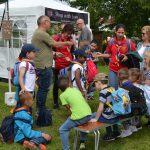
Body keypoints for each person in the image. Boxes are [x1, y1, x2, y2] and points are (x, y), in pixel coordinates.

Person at [31, 15, 73, 112]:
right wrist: (66, 43)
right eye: (49, 22)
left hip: (42, 65)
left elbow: (42, 49)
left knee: (43, 88)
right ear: (45, 22)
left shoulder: (39, 33)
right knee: (43, 89)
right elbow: (55, 44)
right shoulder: (42, 33)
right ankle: (40, 110)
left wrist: (54, 53)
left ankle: (40, 108)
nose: (50, 24)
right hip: (43, 66)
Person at [97, 24, 136, 90]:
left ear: (124, 32)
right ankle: (113, 100)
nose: (120, 34)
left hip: (124, 70)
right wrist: (101, 55)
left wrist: (127, 56)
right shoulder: (111, 41)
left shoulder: (128, 42)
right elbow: (109, 54)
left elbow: (135, 53)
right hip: (113, 69)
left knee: (124, 89)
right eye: (119, 32)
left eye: (122, 32)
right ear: (115, 32)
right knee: (112, 89)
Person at [58, 76, 92, 150]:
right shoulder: (76, 90)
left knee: (62, 129)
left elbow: (69, 109)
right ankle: (82, 142)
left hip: (79, 117)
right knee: (82, 122)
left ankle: (66, 149)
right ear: (69, 84)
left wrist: (72, 116)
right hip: (88, 114)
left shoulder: (62, 95)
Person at [90, 73, 120, 141]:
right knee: (107, 112)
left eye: (95, 83)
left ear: (99, 82)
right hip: (116, 116)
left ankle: (109, 135)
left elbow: (100, 108)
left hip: (109, 118)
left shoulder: (103, 92)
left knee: (93, 115)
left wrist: (96, 119)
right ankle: (116, 132)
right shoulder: (112, 88)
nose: (94, 85)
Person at [52, 24, 74, 109]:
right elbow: (52, 47)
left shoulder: (70, 40)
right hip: (58, 65)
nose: (68, 35)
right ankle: (55, 102)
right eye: (67, 33)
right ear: (63, 31)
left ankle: (68, 100)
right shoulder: (56, 38)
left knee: (68, 83)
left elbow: (71, 51)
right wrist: (55, 54)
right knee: (57, 84)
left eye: (70, 34)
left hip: (68, 65)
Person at [118, 68, 138, 138]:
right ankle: (132, 127)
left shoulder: (123, 87)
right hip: (135, 106)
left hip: (129, 109)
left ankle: (127, 130)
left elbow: (124, 101)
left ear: (119, 77)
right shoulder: (131, 84)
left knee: (120, 112)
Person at [142, 50, 150, 127]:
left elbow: (148, 82)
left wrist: (142, 81)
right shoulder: (144, 69)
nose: (144, 60)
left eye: (146, 58)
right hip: (144, 89)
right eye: (144, 58)